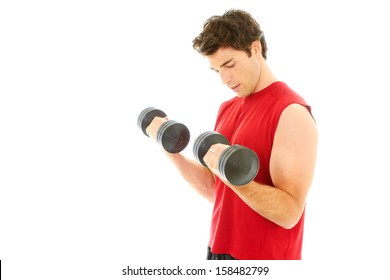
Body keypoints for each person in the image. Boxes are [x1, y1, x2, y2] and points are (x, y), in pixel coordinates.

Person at [145, 9, 318, 260]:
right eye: (217, 71)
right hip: (218, 251)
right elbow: (217, 191)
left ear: (255, 48)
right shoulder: (227, 108)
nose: (224, 79)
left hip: (262, 260)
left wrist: (235, 178)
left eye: (229, 64)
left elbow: (290, 212)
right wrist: (170, 149)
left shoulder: (290, 112)